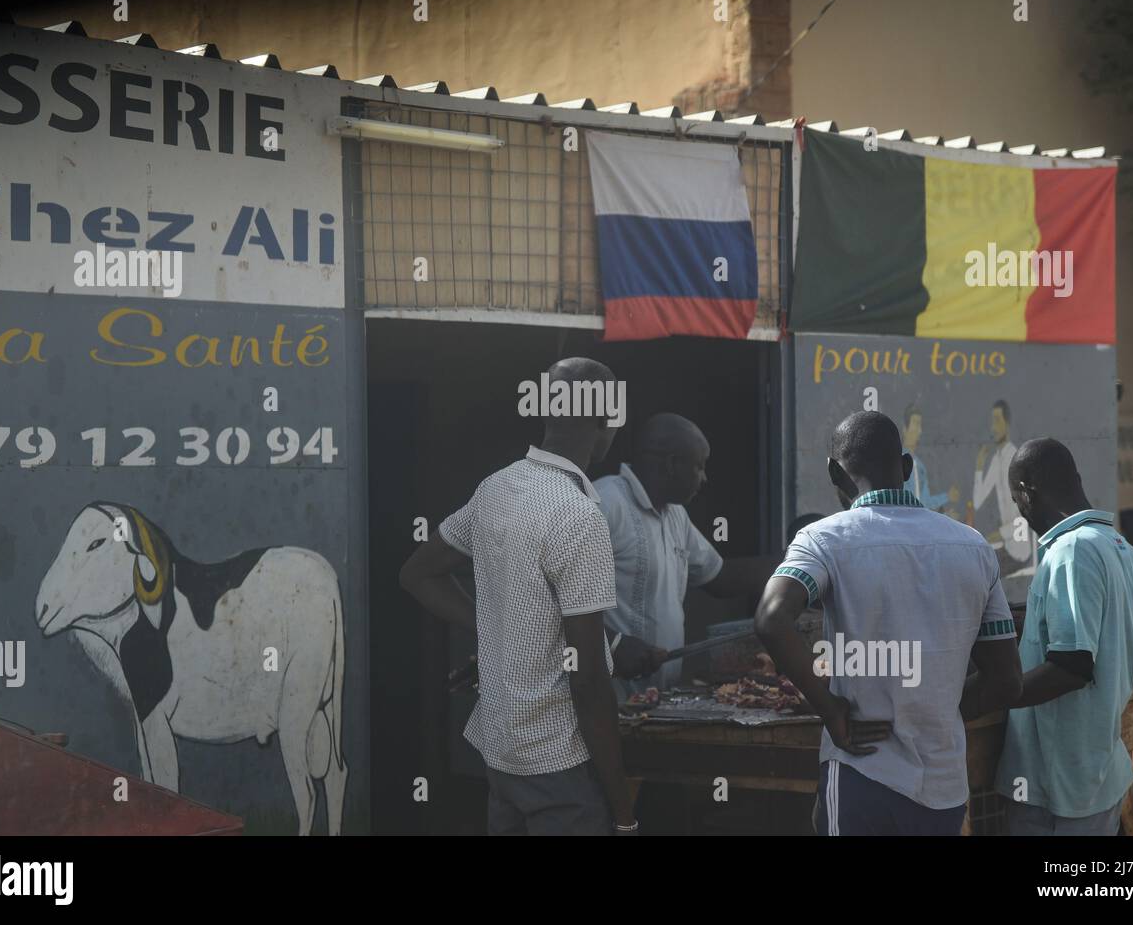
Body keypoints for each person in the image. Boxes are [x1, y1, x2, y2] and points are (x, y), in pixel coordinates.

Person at [399, 357, 636, 836]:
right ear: (606, 419)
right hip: (560, 766)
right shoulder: (579, 516)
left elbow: (417, 573)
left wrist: (496, 631)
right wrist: (625, 813)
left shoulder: (496, 489)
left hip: (502, 761)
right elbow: (588, 679)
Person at [755, 410, 1022, 835]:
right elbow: (1006, 681)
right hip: (943, 785)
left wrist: (831, 711)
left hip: (862, 772)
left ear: (833, 474)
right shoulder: (973, 547)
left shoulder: (823, 539)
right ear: (907, 467)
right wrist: (934, 710)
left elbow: (772, 619)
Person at [977, 438, 1133, 836]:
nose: (1021, 514)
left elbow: (1071, 667)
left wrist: (995, 692)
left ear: (1026, 492)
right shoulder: (1124, 550)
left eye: (1016, 501)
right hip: (1100, 777)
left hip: (1056, 786)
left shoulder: (1070, 551)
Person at [594, 413, 783, 693]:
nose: (704, 478)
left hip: (657, 702)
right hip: (610, 703)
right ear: (672, 464)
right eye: (700, 466)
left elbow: (721, 578)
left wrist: (797, 560)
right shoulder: (604, 503)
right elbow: (551, 599)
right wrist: (612, 645)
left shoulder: (675, 516)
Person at [972, 400, 1031, 572]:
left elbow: (1023, 520)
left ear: (1007, 423)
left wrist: (994, 536)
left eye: (997, 421)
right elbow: (978, 501)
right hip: (1006, 546)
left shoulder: (1015, 459)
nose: (993, 427)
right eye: (992, 421)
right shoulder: (998, 459)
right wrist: (979, 467)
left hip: (1018, 553)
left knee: (977, 569)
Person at [901, 404, 959, 514]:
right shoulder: (896, 461)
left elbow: (925, 502)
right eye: (916, 424)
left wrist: (948, 497)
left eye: (920, 425)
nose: (919, 431)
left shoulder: (920, 467)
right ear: (905, 428)